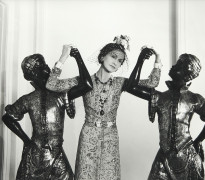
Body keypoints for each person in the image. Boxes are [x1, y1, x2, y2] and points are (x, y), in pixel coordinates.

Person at [46, 35, 162, 180]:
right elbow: (51, 85)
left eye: (120, 61)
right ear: (102, 57)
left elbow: (152, 83)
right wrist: (63, 57)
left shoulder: (120, 83)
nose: (116, 62)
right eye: (113, 57)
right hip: (89, 134)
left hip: (111, 135)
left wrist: (157, 59)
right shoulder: (83, 81)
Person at [125, 53, 205, 180]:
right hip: (164, 157)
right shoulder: (159, 97)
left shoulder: (194, 98)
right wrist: (140, 60)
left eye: (178, 64)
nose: (173, 66)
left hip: (187, 157)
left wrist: (199, 141)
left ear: (187, 71)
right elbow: (130, 86)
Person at [2, 50, 93, 180]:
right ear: (33, 74)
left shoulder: (61, 94)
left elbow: (88, 85)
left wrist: (78, 57)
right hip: (35, 156)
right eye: (42, 66)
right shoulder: (28, 99)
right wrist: (26, 140)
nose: (47, 68)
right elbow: (7, 118)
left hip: (57, 154)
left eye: (45, 64)